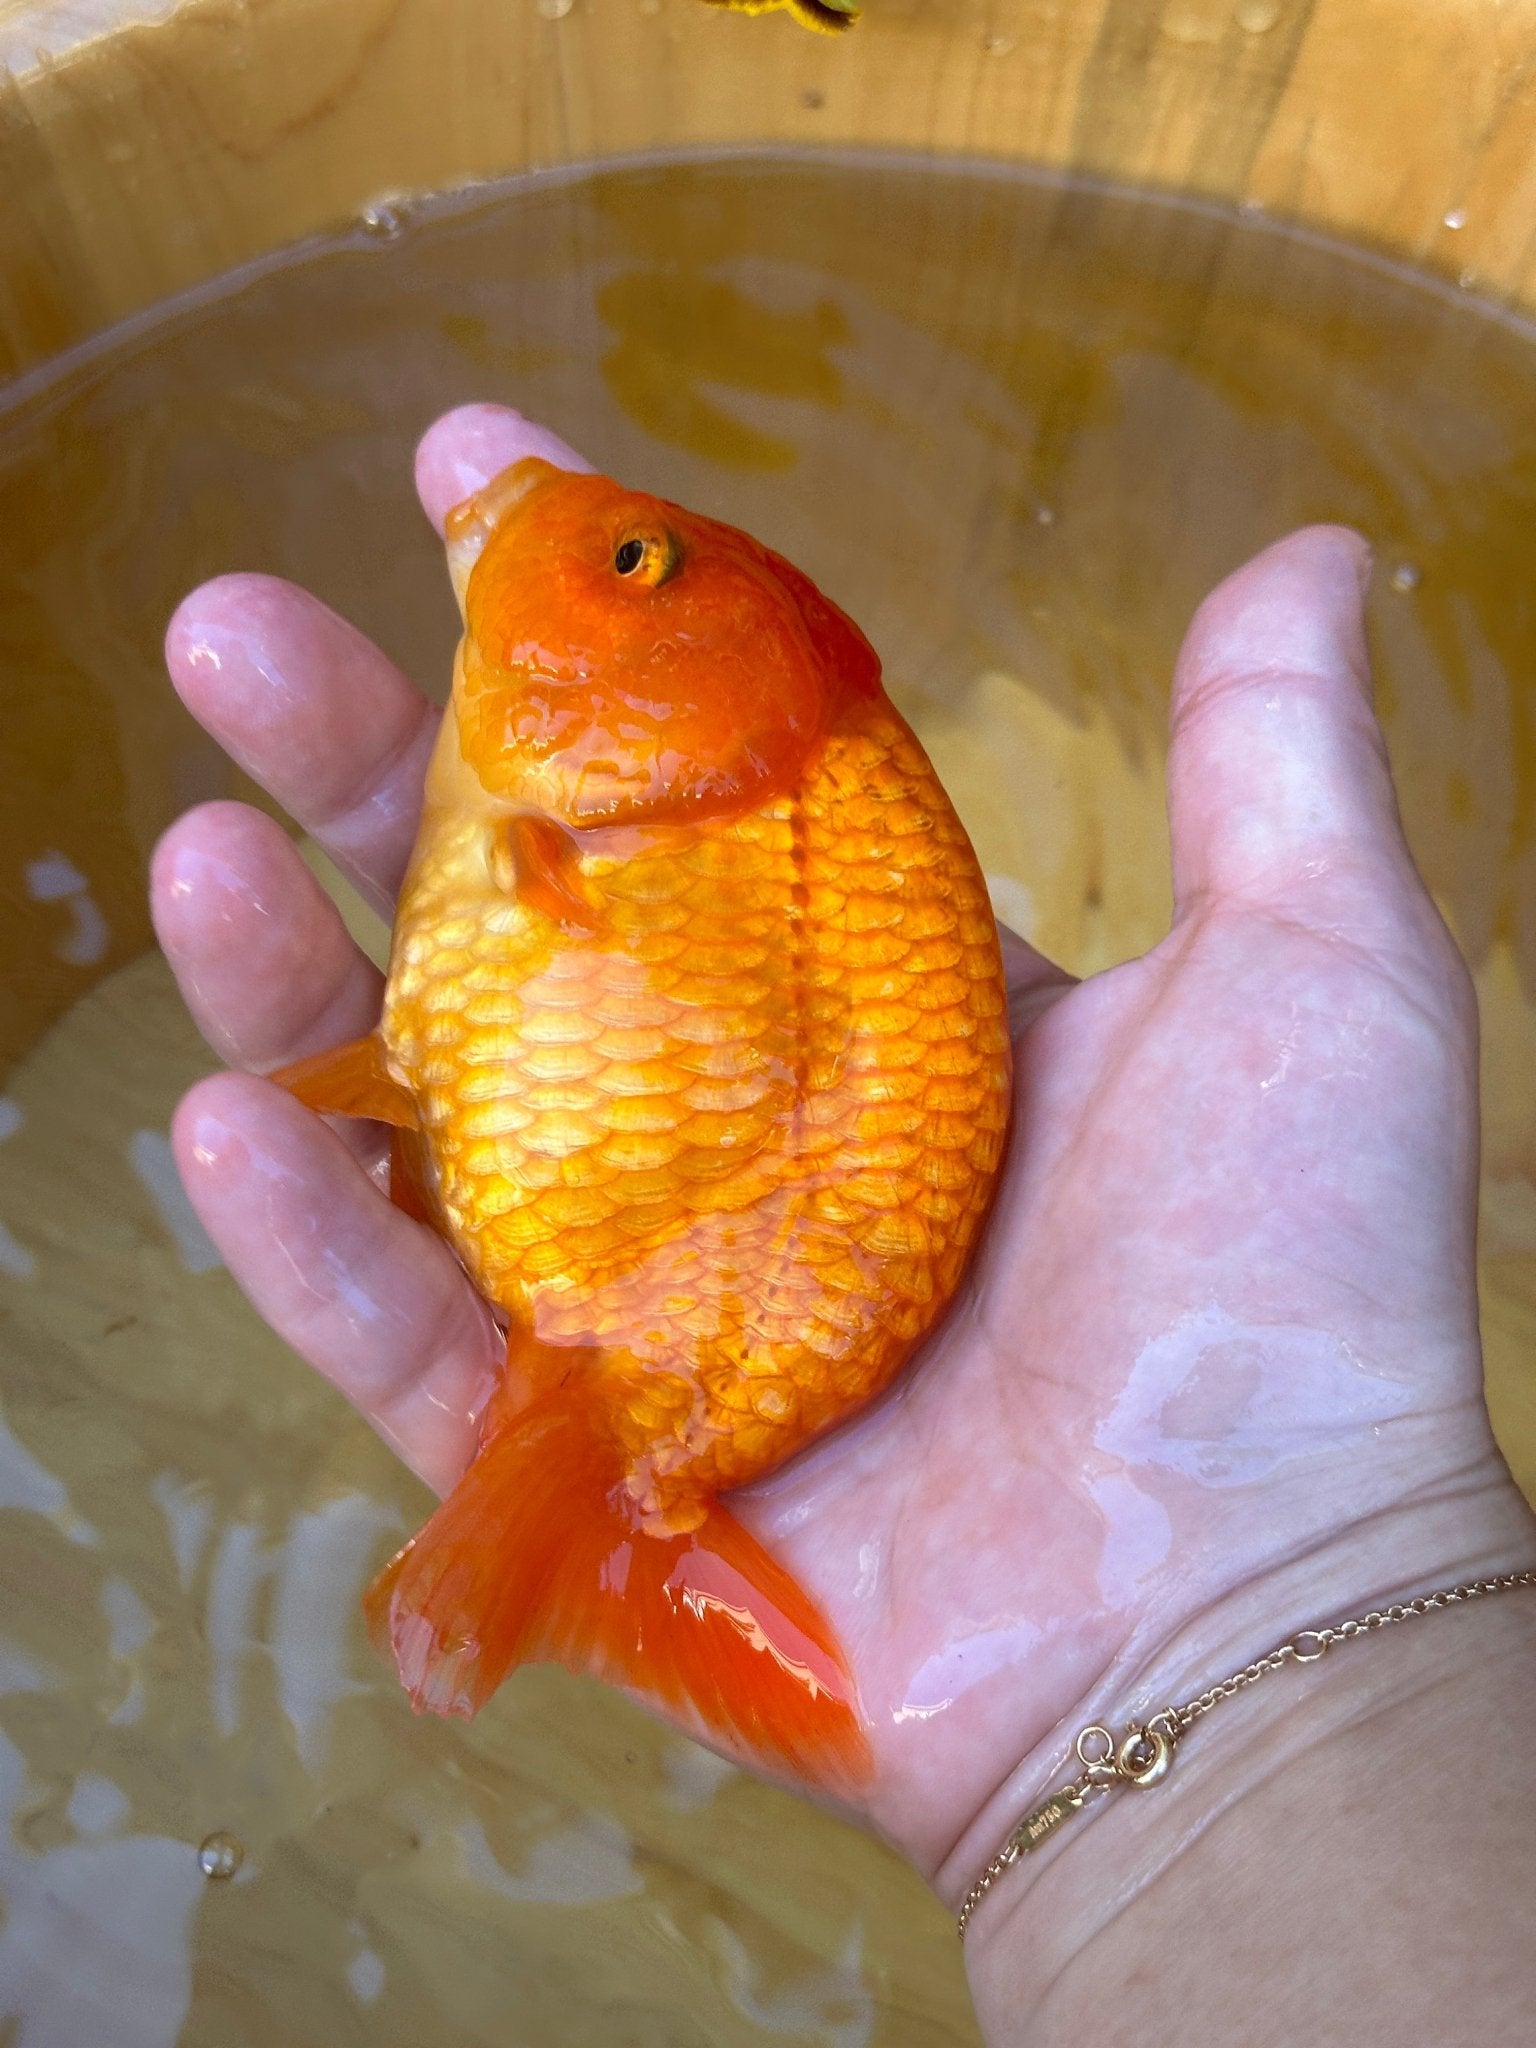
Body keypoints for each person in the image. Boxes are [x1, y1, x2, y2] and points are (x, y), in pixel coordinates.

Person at [151, 403, 1536, 2045]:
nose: (604, 554)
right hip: (668, 1256)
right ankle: (582, 1512)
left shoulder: (692, 805)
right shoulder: (660, 797)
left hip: (664, 1266)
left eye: (634, 564)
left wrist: (1277, 1598)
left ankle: (583, 1517)